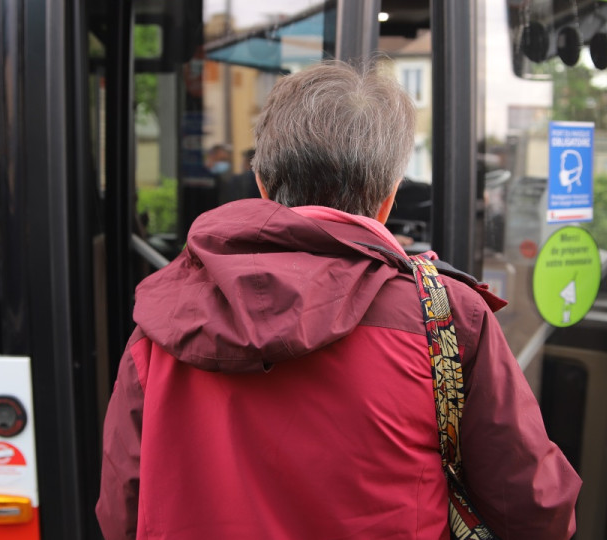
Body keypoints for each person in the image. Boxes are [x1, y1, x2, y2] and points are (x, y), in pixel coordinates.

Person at [96, 61, 580, 539]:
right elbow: (535, 508)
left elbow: (122, 512)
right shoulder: (446, 317)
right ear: (389, 197)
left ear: (263, 184)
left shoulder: (163, 319)